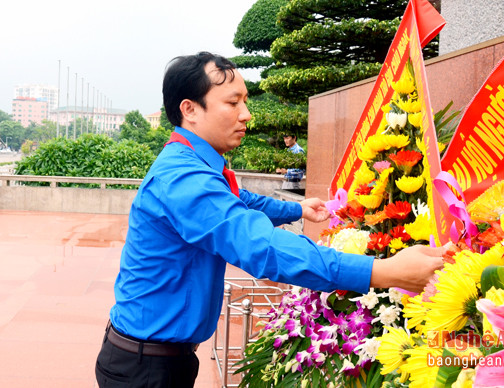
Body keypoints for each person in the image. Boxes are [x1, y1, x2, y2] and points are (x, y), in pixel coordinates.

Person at [95, 51, 448, 388]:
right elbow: (260, 247)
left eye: (244, 101)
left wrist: (298, 208)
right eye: (233, 103)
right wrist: (382, 272)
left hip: (159, 358)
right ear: (190, 109)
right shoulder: (184, 179)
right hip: (145, 368)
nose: (246, 114)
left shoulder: (196, 163)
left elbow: (240, 200)